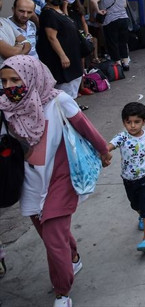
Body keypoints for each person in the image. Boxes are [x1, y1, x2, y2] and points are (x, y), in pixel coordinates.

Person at [0, 56, 111, 307]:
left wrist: (103, 151)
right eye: (4, 81)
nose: (9, 86)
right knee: (52, 235)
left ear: (32, 77)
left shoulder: (58, 101)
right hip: (29, 182)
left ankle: (62, 293)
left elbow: (86, 128)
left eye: (15, 79)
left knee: (52, 238)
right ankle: (72, 255)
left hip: (61, 177)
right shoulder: (6, 108)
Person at [107, 102, 145, 253]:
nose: (133, 126)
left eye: (137, 122)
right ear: (123, 122)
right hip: (128, 179)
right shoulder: (122, 137)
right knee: (135, 205)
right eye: (128, 122)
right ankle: (141, 215)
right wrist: (102, 151)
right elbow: (108, 146)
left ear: (144, 122)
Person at [39, 0, 85, 98]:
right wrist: (63, 56)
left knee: (73, 84)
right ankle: (67, 112)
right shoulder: (49, 14)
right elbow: (52, 37)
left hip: (73, 54)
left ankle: (72, 107)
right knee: (65, 87)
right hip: (62, 58)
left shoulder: (59, 10)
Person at [89, 0, 132, 71]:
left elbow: (92, 0)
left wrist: (98, 11)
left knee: (113, 43)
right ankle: (125, 63)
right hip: (124, 19)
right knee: (123, 42)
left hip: (110, 21)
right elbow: (125, 4)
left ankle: (118, 64)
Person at [63, 0, 98, 65]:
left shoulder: (78, 8)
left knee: (93, 40)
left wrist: (87, 33)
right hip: (72, 33)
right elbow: (66, 19)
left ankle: (95, 59)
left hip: (81, 32)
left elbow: (84, 23)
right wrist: (65, 6)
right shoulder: (63, 9)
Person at [0, 0, 33, 67]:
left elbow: (27, 43)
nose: (25, 15)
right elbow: (11, 53)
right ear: (13, 9)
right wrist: (20, 45)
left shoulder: (4, 21)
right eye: (21, 11)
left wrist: (17, 50)